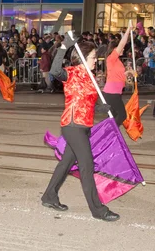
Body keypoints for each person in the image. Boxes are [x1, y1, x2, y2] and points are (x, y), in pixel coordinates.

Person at [41, 35, 120, 222]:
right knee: (87, 166)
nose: (96, 61)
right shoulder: (72, 73)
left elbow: (85, 101)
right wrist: (63, 47)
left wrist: (101, 108)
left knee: (66, 163)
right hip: (73, 125)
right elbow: (54, 70)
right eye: (93, 57)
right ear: (84, 58)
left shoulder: (90, 77)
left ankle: (49, 196)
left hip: (83, 125)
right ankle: (98, 210)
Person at [103, 26, 133, 126]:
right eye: (121, 47)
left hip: (115, 92)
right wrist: (128, 30)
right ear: (115, 49)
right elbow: (122, 43)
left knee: (112, 117)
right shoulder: (111, 58)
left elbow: (117, 75)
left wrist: (128, 73)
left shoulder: (117, 61)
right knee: (121, 115)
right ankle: (109, 134)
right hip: (112, 92)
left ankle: (104, 136)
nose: (123, 48)